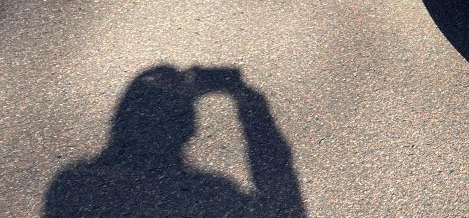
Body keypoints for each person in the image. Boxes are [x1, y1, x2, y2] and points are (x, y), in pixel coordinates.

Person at [44, 65, 305, 218]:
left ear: (121, 119)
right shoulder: (203, 196)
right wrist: (251, 105)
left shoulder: (77, 186)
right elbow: (284, 210)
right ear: (188, 128)